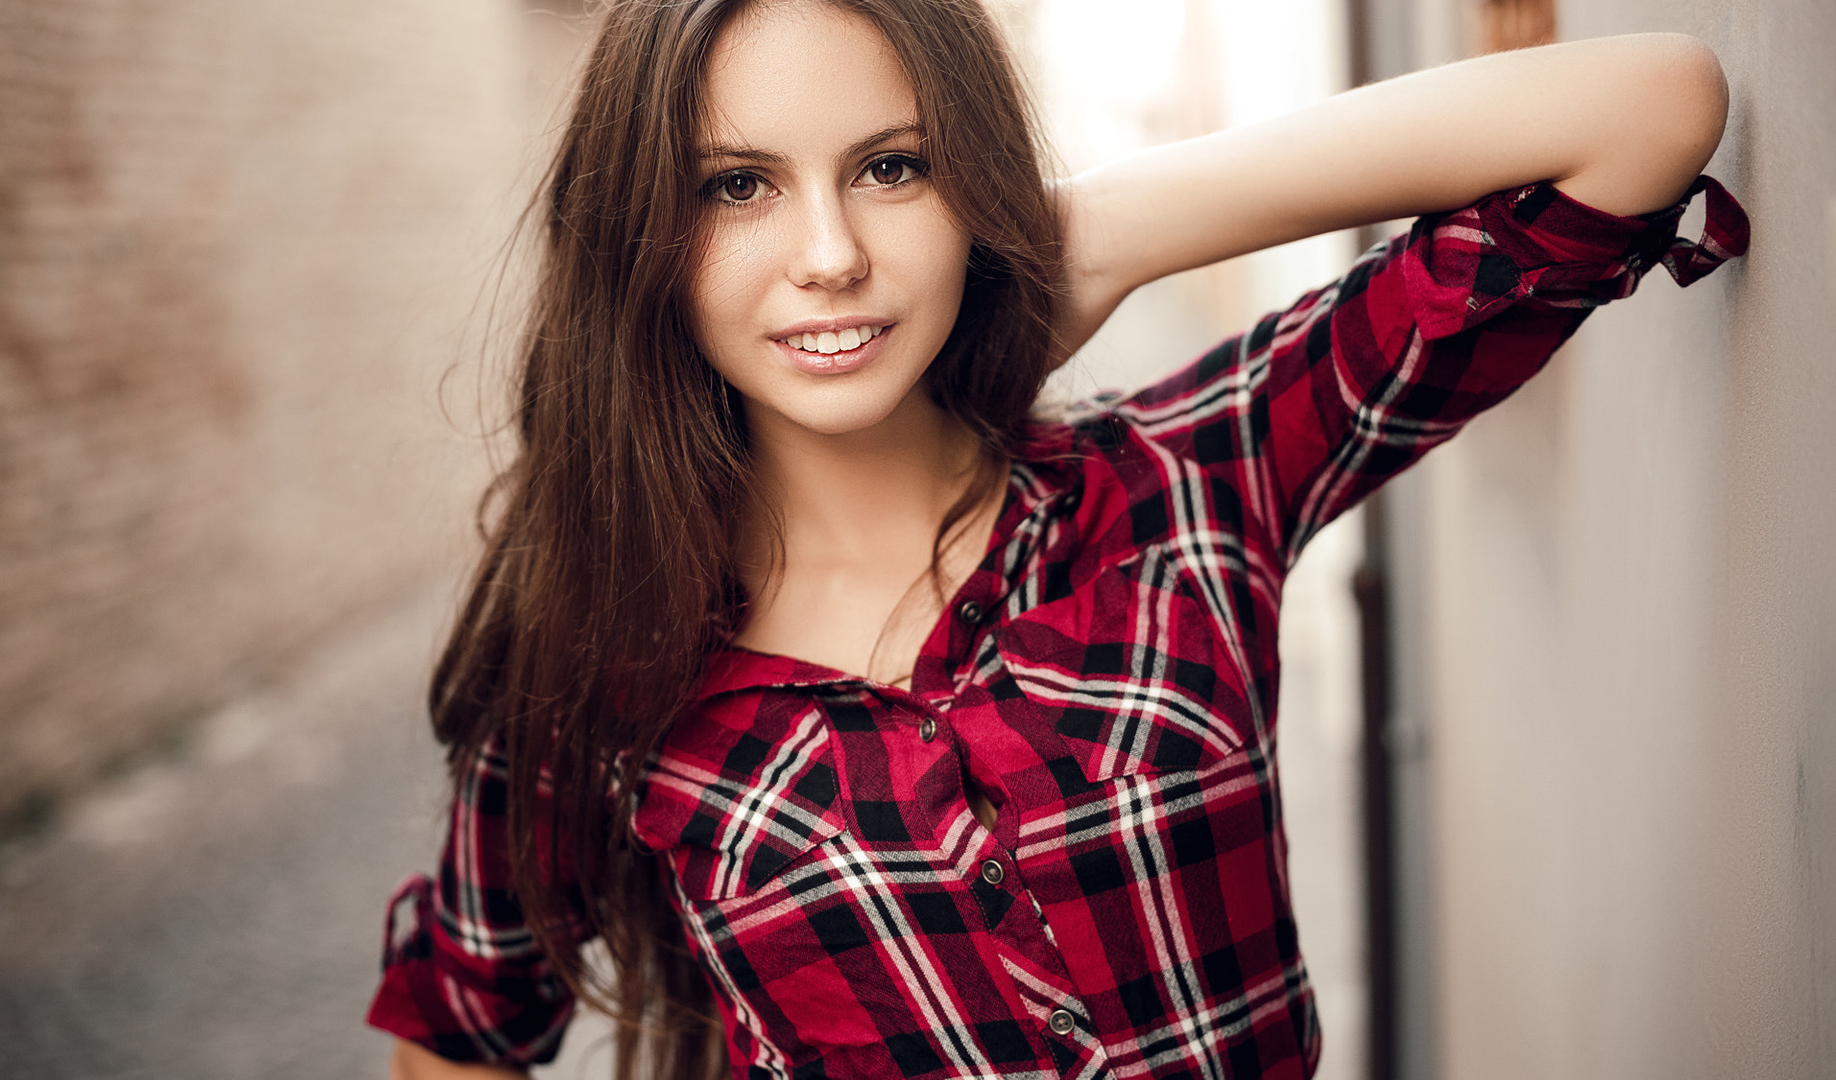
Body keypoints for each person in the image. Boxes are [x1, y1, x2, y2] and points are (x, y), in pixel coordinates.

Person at [366, 1, 1748, 1077]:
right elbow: (458, 1021)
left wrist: (1100, 230)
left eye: (893, 168)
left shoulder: (1185, 483)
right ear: (639, 239)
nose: (832, 253)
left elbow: (1646, 108)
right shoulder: (602, 653)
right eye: (737, 187)